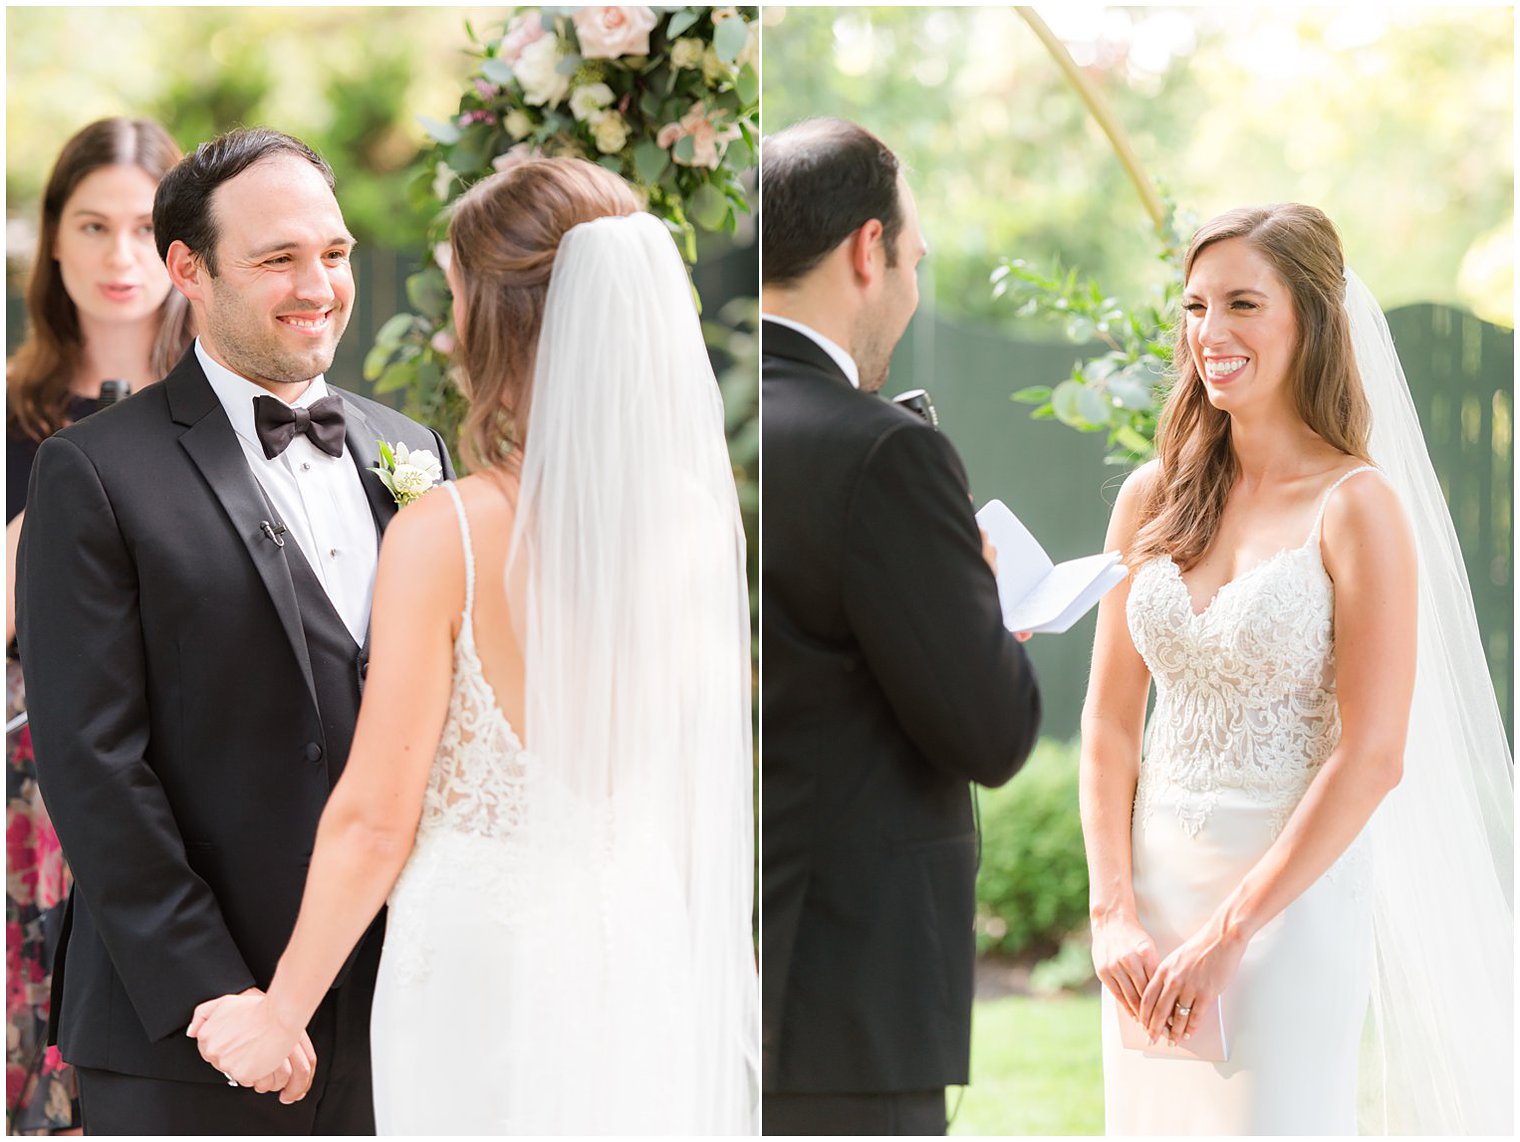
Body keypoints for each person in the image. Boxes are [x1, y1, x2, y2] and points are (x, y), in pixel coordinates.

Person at [187, 157, 758, 1134]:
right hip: (643, 940)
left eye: (455, 301)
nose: (448, 334)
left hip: (480, 963)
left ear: (501, 321)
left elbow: (374, 817)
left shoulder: (450, 531)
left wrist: (280, 1009)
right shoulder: (693, 525)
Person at [16, 126, 454, 1135]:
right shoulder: (93, 471)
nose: (319, 285)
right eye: (277, 259)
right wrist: (217, 996)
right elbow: (93, 763)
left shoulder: (411, 448)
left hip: (402, 1009)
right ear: (189, 270)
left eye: (334, 253)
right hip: (190, 1030)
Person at [1082, 203, 1512, 1133]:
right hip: (1148, 901)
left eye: (1242, 303)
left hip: (1286, 908)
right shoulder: (1149, 497)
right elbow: (1112, 721)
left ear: (1311, 320)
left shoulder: (1358, 508)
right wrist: (1112, 909)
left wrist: (1230, 934)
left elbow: (1373, 754)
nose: (1211, 334)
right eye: (1195, 307)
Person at [759, 117, 1041, 1136]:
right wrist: (984, 604)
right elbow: (989, 731)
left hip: (704, 967)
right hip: (842, 993)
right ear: (866, 249)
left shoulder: (697, 412)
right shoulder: (881, 452)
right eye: (913, 259)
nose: (912, 289)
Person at [5, 116, 193, 1136]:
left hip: (167, 771)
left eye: (141, 228)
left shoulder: (218, 410)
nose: (120, 259)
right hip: (21, 791)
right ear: (54, 239)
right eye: (90, 226)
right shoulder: (10, 409)